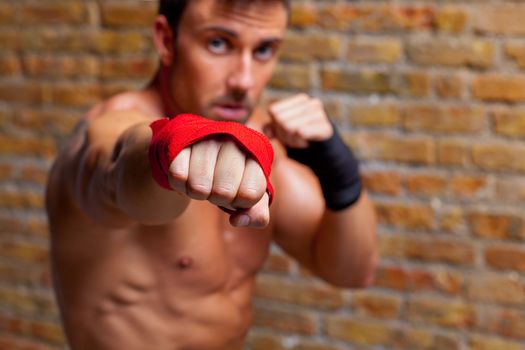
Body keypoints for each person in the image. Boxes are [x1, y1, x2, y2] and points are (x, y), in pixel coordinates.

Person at [45, 0, 378, 349]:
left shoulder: (262, 149)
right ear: (166, 41)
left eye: (263, 50)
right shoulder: (109, 127)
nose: (243, 80)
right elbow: (119, 171)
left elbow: (352, 272)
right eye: (218, 44)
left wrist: (340, 172)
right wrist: (171, 148)